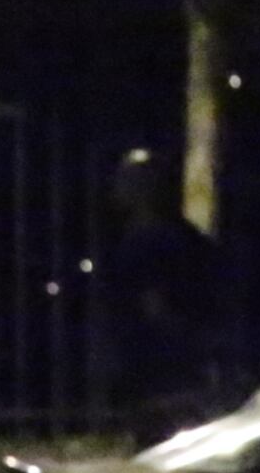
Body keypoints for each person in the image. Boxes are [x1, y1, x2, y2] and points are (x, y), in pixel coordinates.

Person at [91, 146, 225, 428]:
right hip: (180, 364)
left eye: (126, 181)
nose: (117, 188)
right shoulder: (186, 236)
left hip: (157, 367)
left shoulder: (145, 241)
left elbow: (154, 307)